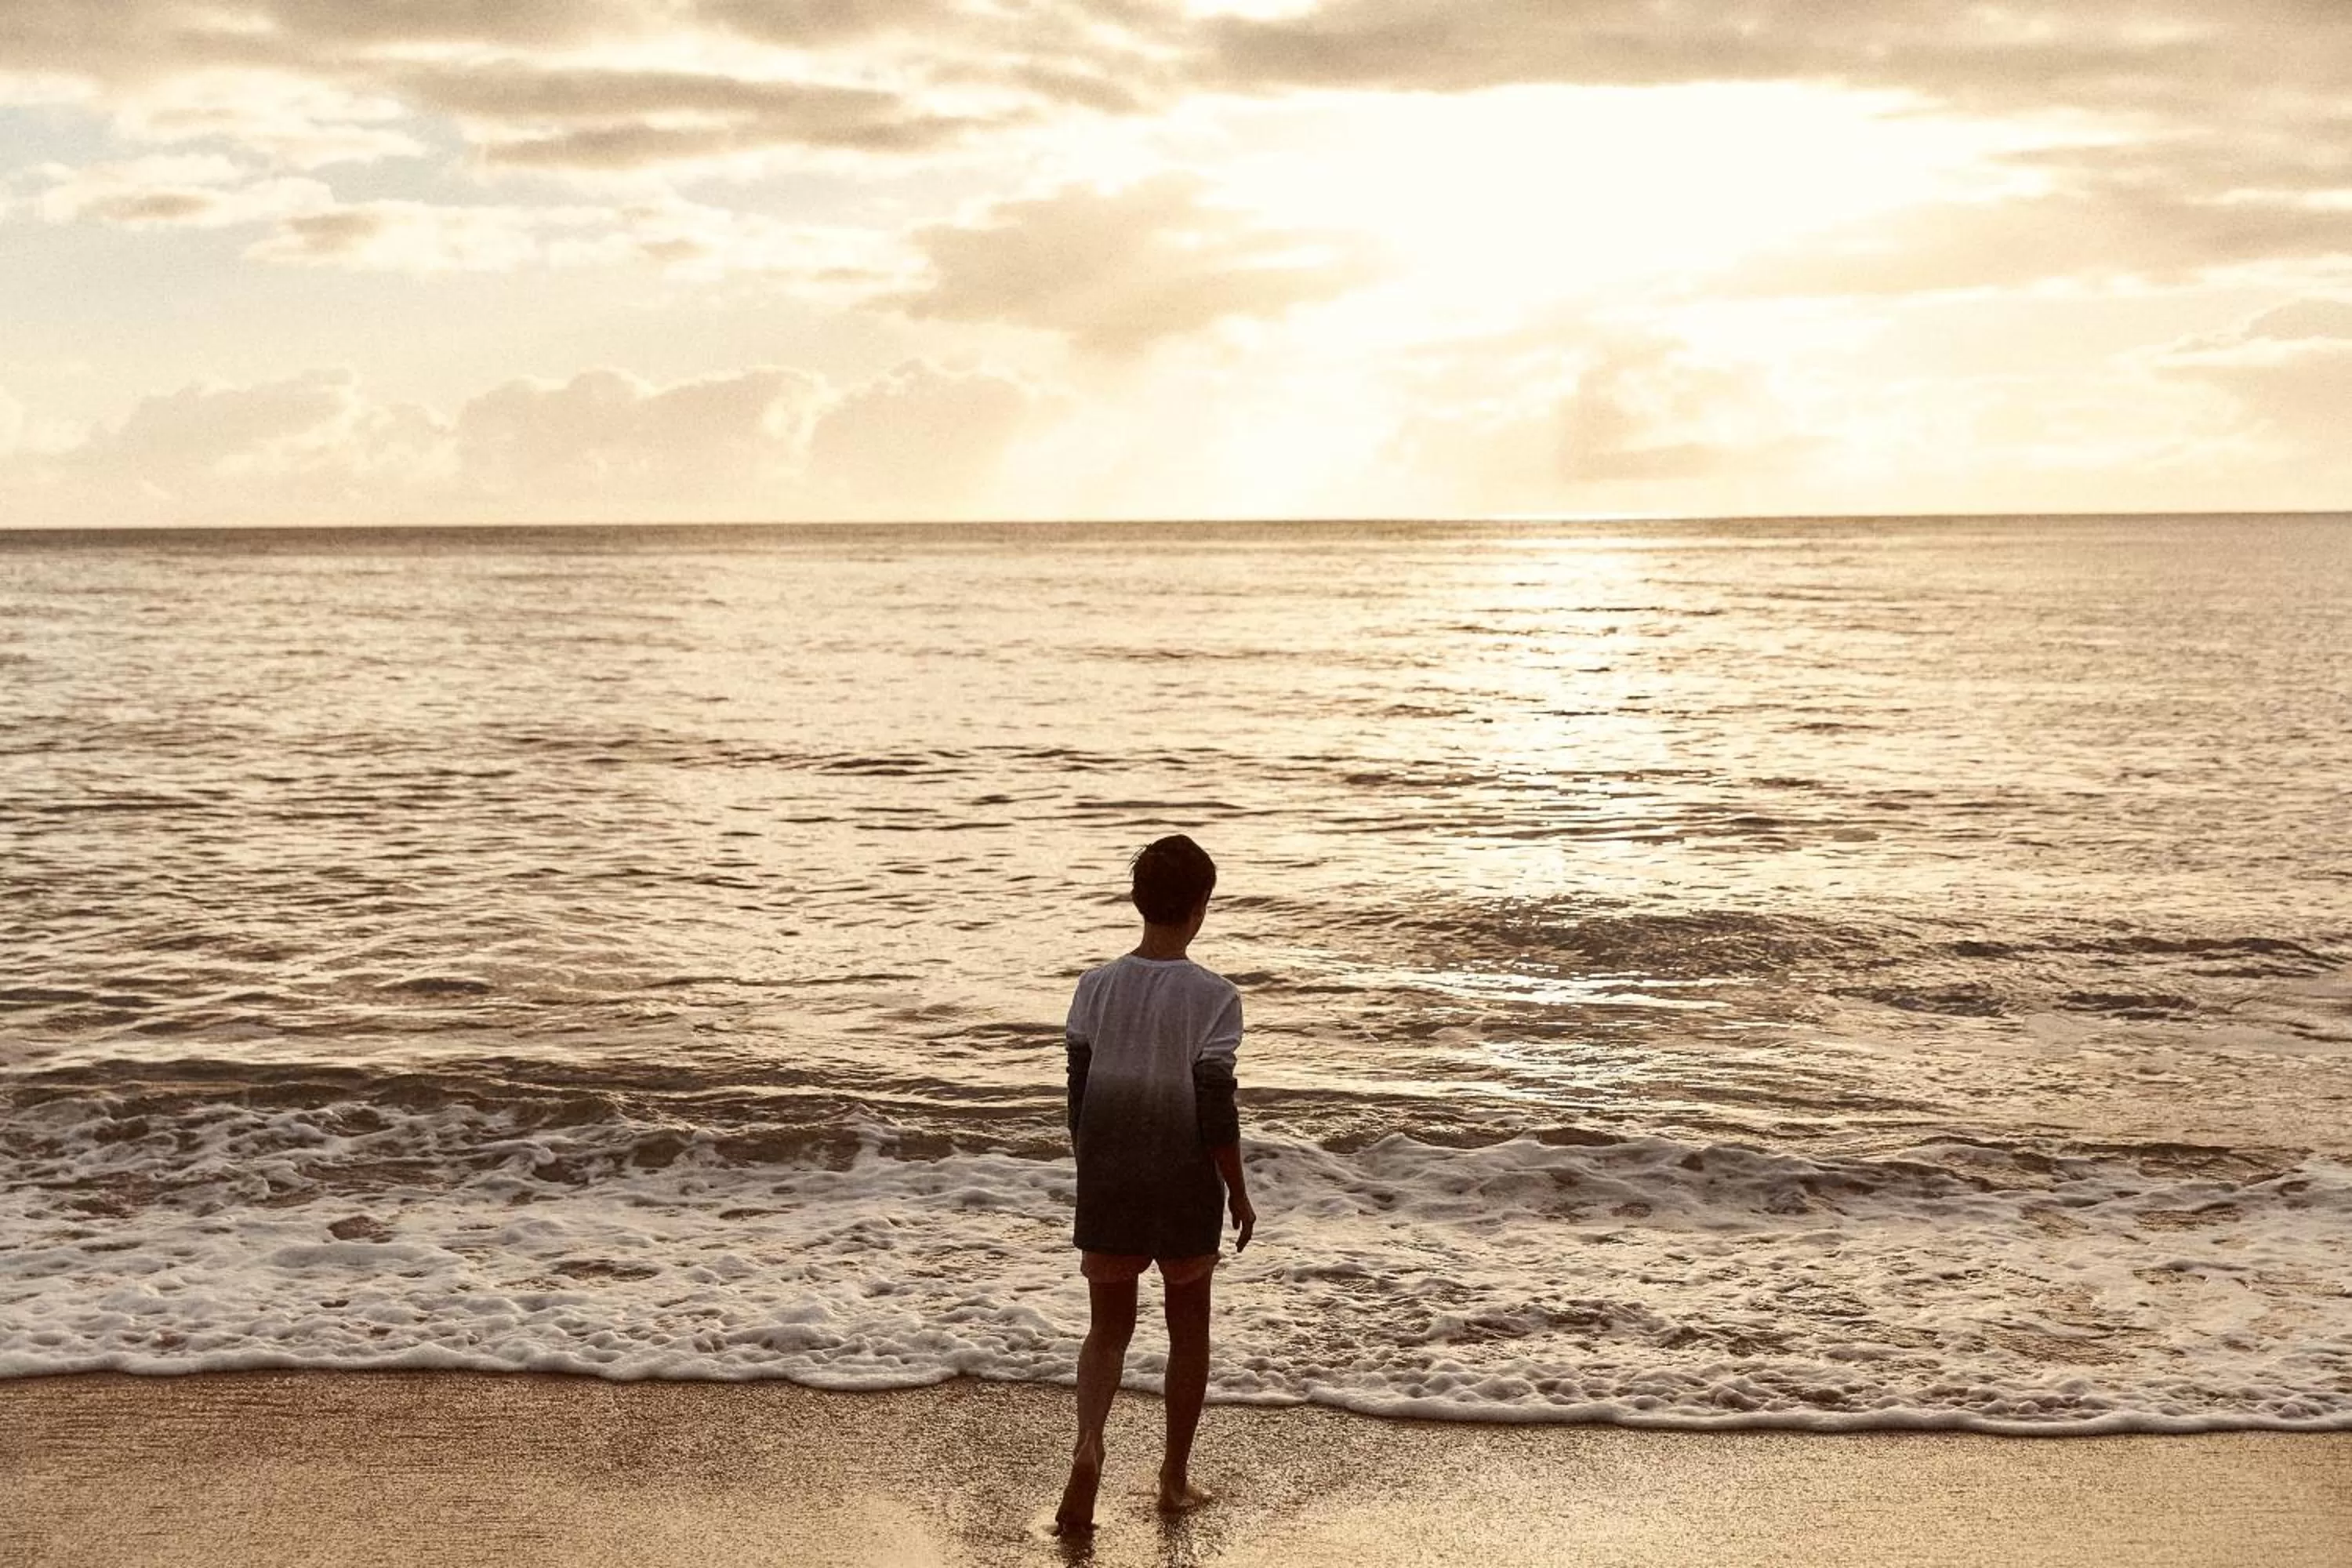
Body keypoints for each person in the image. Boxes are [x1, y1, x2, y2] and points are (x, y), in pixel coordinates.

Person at [1054, 833, 1256, 1535]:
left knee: (1107, 1329)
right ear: (1201, 907)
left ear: (1138, 901)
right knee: (1188, 1331)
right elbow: (1214, 1105)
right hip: (1182, 1180)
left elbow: (1077, 1095)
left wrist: (1093, 1165)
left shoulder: (1094, 986)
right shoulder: (1214, 997)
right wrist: (1237, 1188)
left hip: (1107, 1174)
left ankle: (1087, 1449)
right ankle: (1172, 1480)